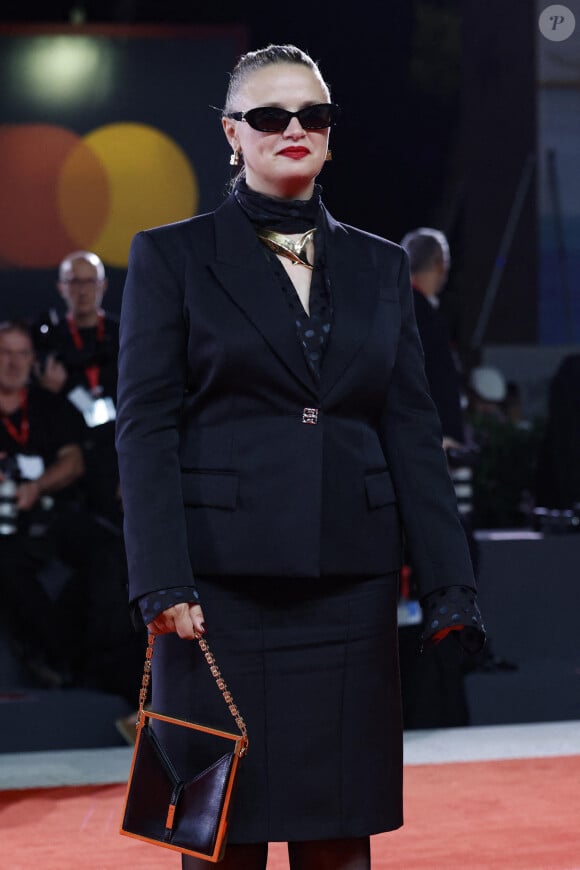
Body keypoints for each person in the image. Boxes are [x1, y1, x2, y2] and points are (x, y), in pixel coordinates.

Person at [116, 44, 485, 870]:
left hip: (348, 591)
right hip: (214, 592)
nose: (293, 129)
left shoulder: (382, 265)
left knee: (337, 838)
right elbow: (145, 428)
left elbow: (410, 433)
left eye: (312, 115)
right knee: (222, 841)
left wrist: (449, 581)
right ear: (231, 134)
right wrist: (161, 581)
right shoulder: (170, 257)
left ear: (330, 135)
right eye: (269, 115)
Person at [0, 321, 85, 685]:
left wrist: (37, 487)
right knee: (9, 564)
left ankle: (107, 662)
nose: (14, 363)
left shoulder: (48, 405)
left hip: (51, 513)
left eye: (22, 354)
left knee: (110, 552)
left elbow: (75, 461)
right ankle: (53, 658)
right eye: (5, 353)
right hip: (7, 528)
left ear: (33, 359)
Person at [34, 251, 121, 525]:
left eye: (89, 281)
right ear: (61, 287)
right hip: (67, 467)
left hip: (114, 463)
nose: (82, 291)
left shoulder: (125, 335)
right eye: (73, 282)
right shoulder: (47, 345)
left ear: (103, 285)